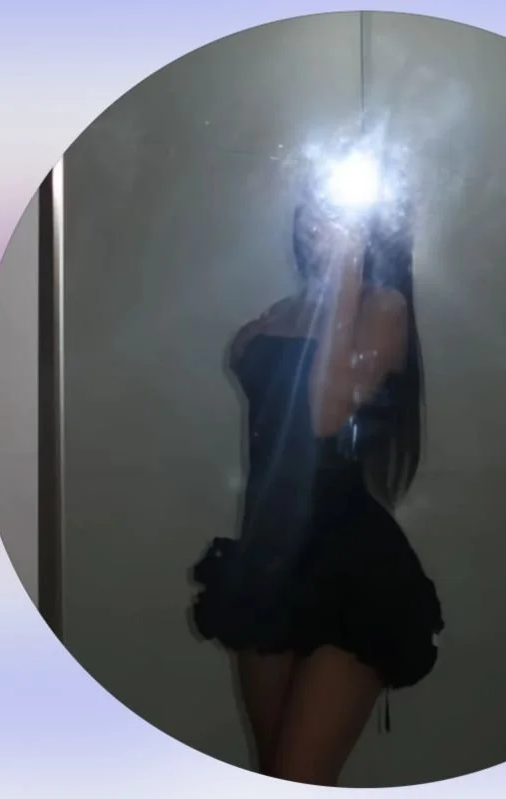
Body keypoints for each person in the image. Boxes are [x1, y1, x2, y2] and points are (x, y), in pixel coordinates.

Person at [190, 158, 444, 786]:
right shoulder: (281, 311)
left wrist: (345, 271)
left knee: (300, 775)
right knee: (275, 776)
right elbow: (255, 369)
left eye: (334, 206)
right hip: (268, 558)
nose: (314, 217)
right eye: (310, 201)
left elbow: (327, 413)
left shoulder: (382, 308)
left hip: (349, 566)